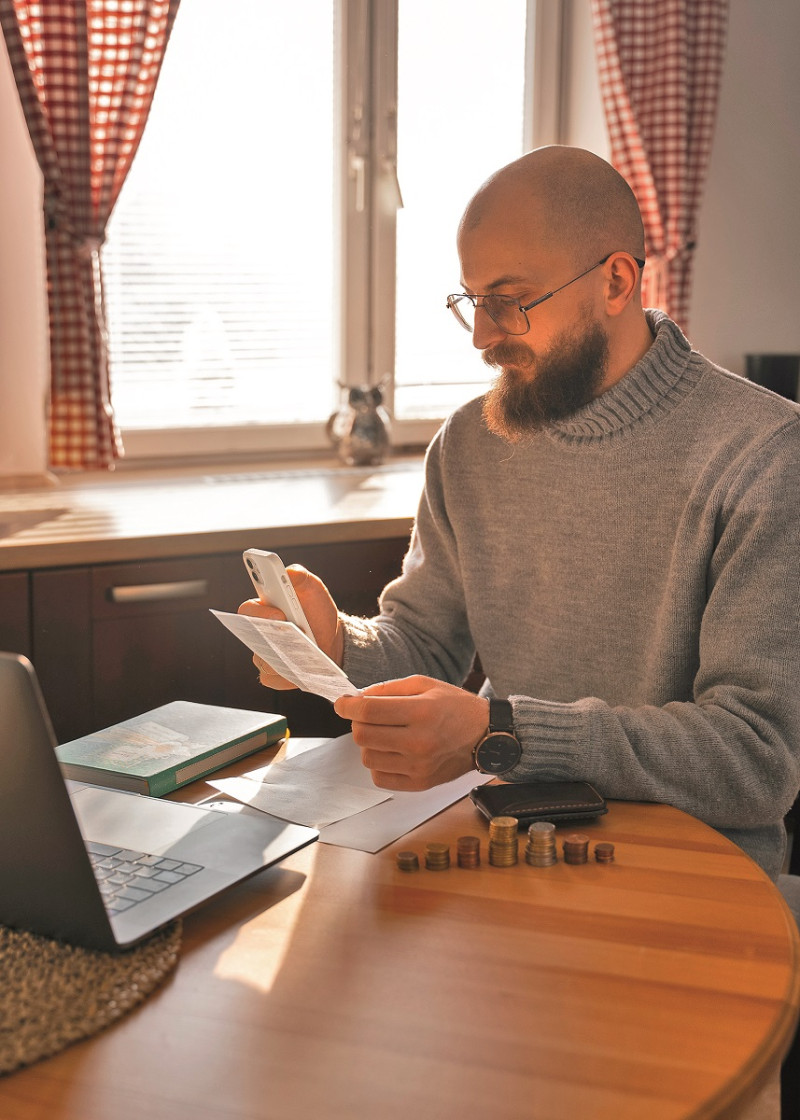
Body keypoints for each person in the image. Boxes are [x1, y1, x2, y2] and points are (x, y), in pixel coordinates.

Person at [240, 145, 800, 881]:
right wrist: (335, 645)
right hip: (502, 852)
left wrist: (501, 732)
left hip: (697, 880)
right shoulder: (470, 442)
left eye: (510, 300)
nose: (482, 336)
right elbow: (424, 644)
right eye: (471, 301)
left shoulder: (766, 455)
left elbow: (754, 759)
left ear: (617, 281)